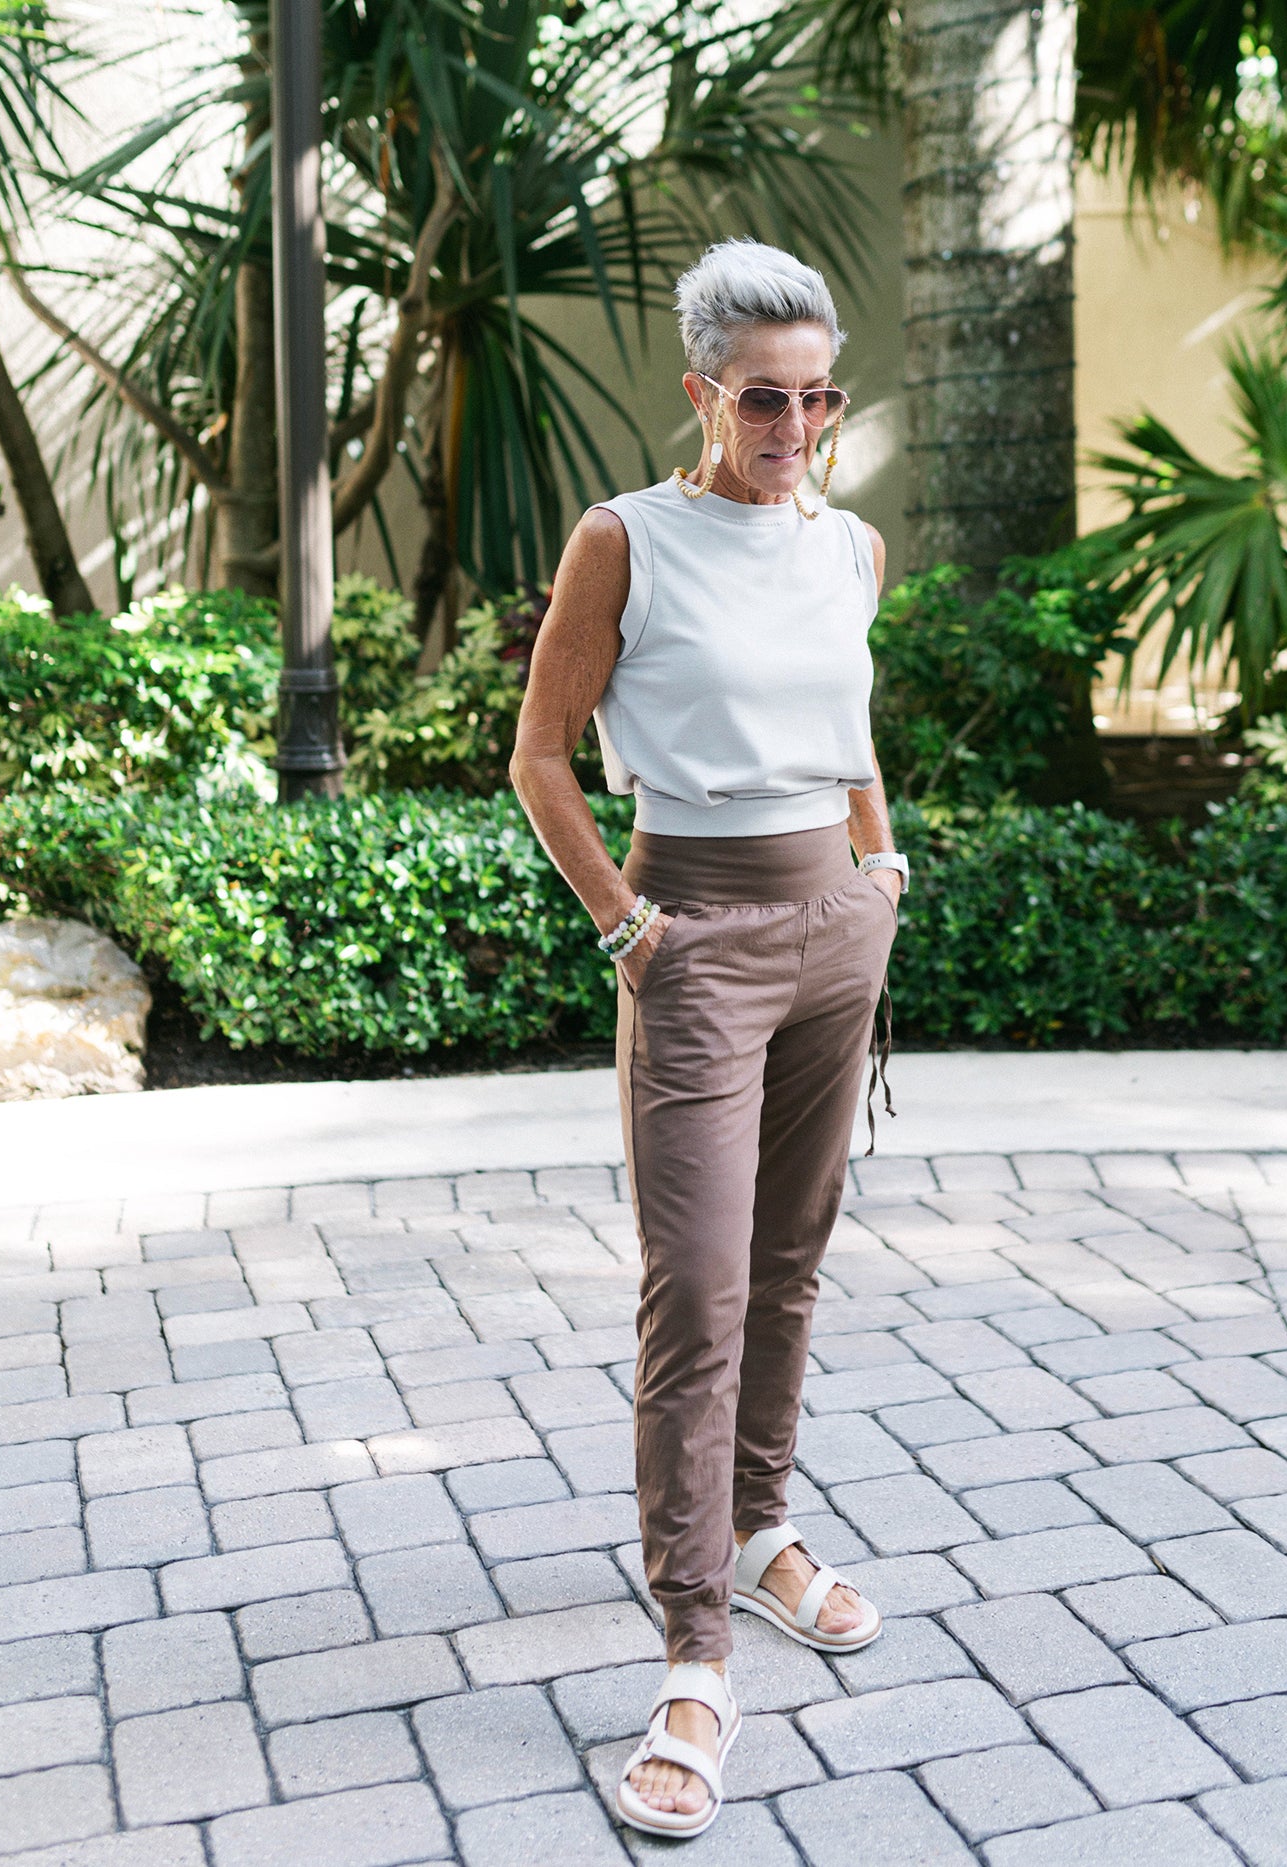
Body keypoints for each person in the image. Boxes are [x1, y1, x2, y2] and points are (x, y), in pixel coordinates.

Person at [510, 237, 908, 1842]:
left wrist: (883, 865)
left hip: (837, 930)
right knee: (701, 1284)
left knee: (793, 1261)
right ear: (702, 392)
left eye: (819, 396)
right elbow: (542, 757)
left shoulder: (851, 543)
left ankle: (758, 1525)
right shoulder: (629, 540)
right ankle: (695, 1646)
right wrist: (626, 920)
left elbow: (848, 723)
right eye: (765, 397)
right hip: (693, 939)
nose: (795, 424)